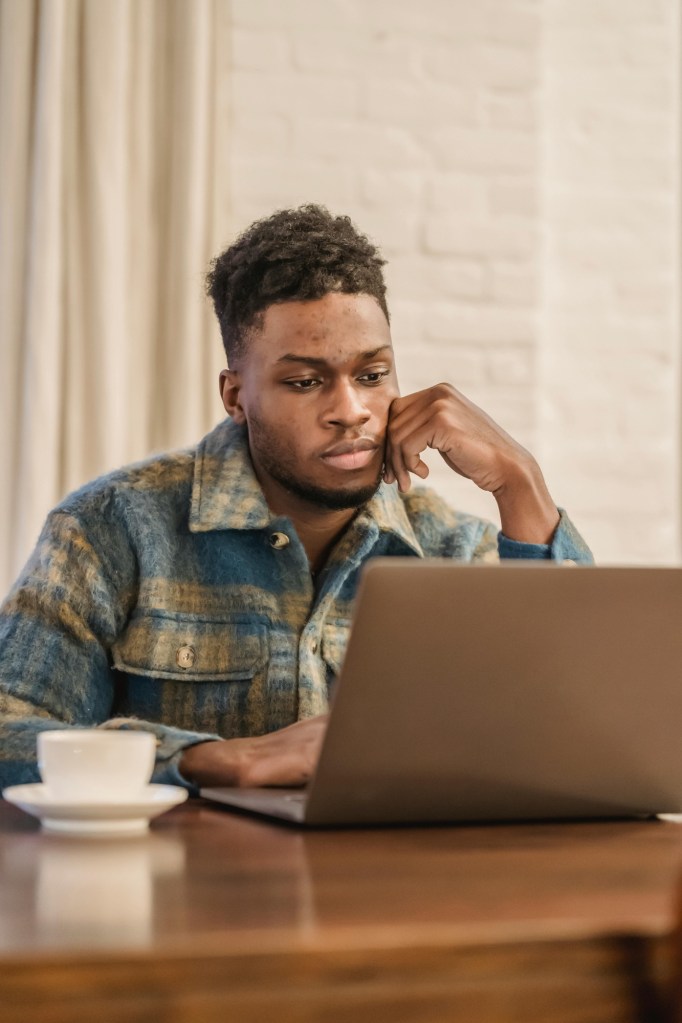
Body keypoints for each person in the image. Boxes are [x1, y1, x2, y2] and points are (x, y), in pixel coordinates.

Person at [0, 205, 592, 794]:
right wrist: (216, 761)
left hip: (402, 883)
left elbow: (585, 736)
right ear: (236, 396)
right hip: (188, 885)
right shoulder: (113, 528)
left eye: (371, 374)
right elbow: (11, 731)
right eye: (305, 382)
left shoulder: (453, 549)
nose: (350, 411)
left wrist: (521, 485)